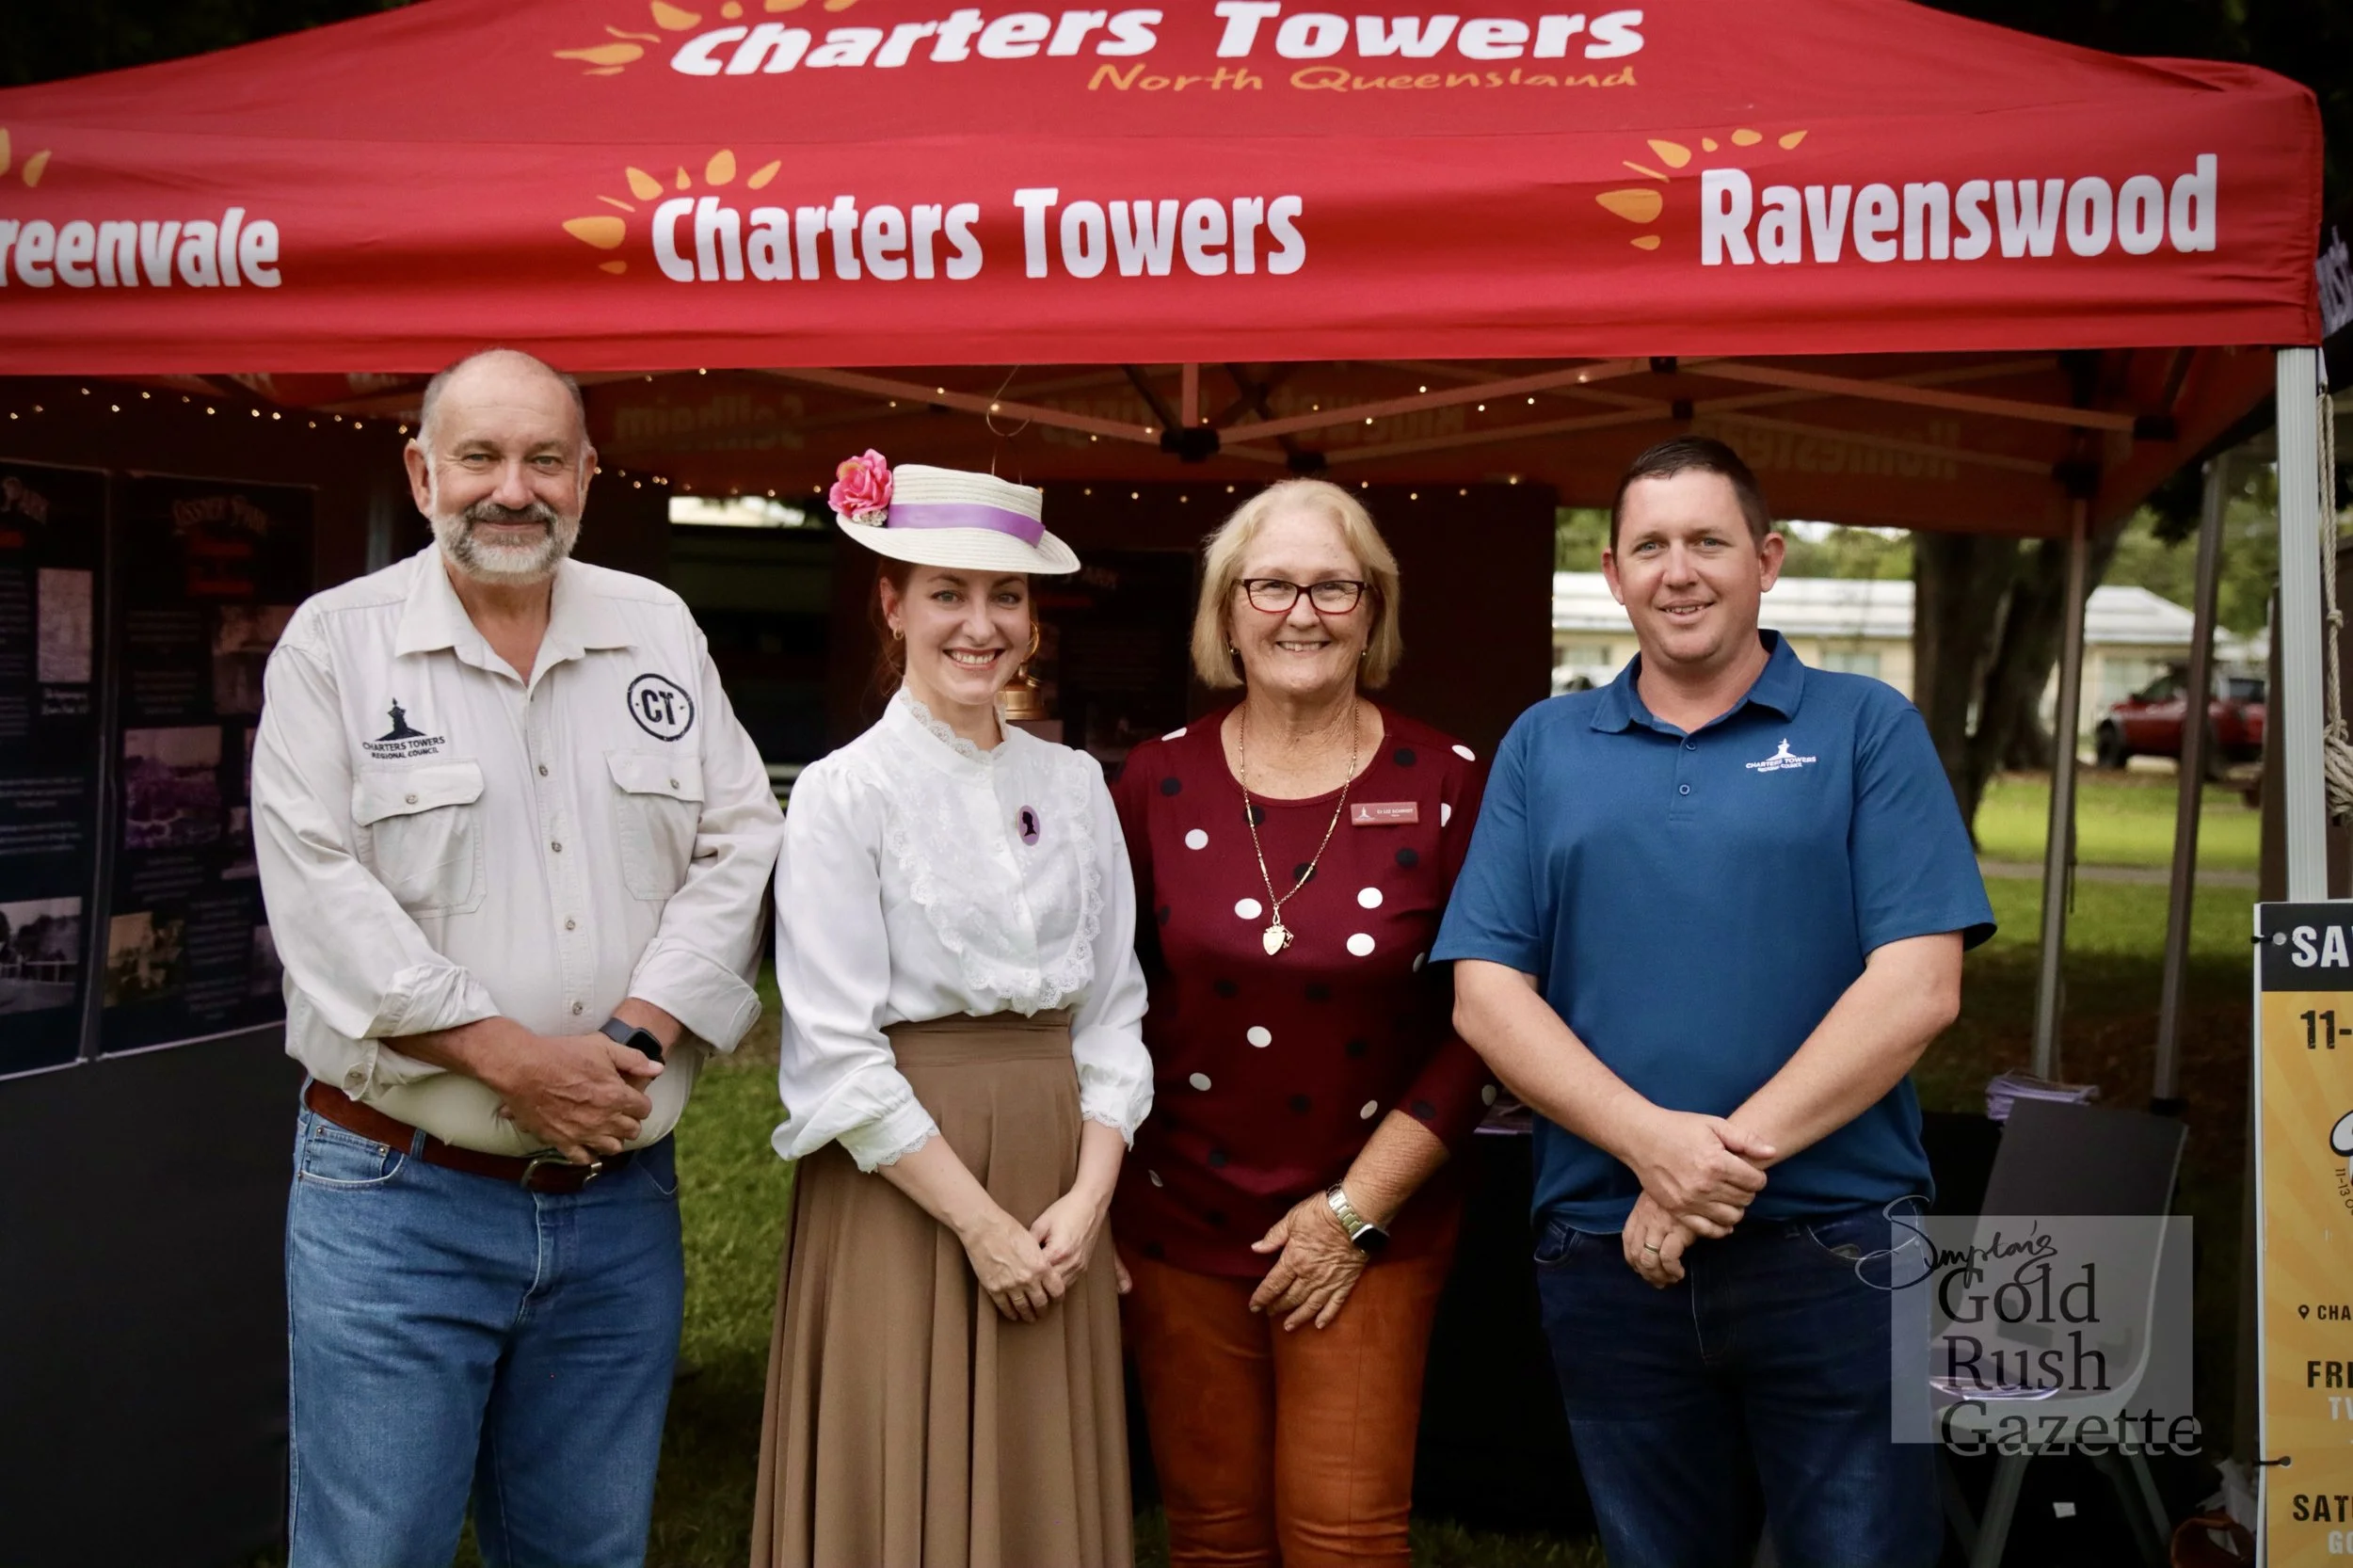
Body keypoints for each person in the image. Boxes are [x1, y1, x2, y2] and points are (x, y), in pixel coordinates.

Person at [252, 348, 783, 1567]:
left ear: (588, 474)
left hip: (615, 1203)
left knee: (586, 1549)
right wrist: (513, 1061)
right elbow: (324, 896)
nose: (514, 489)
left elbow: (740, 837)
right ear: (421, 469)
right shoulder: (337, 648)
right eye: (481, 457)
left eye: (546, 458)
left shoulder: (657, 629)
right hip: (397, 1201)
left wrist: (639, 1033)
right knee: (375, 1547)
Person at [1437, 436, 1995, 1568]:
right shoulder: (1545, 746)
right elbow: (1487, 995)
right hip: (1608, 1254)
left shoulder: (1863, 726)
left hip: (1832, 1248)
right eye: (1650, 545)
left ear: (1767, 559)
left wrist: (1699, 1177)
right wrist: (1651, 1149)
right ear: (1611, 572)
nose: (1677, 570)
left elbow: (1919, 986)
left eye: (1707, 540)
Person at [752, 453, 1152, 1568]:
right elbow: (833, 1049)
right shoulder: (842, 792)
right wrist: (979, 1227)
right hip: (909, 1190)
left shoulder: (1074, 783)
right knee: (901, 1489)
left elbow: (1114, 1007)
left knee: (1037, 1489)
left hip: (1055, 1179)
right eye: (947, 592)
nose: (981, 625)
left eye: (1006, 595)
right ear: (890, 602)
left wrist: (1088, 1197)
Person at [1110, 479, 1496, 1566]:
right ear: (1226, 611)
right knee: (1213, 1534)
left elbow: (1487, 1020)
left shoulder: (1448, 784)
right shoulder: (1156, 779)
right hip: (1176, 1212)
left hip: (1371, 1221)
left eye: (1334, 585)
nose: (1301, 611)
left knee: (1343, 1537)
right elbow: (1105, 996)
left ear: (1373, 609)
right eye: (1270, 584)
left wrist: (1353, 1212)